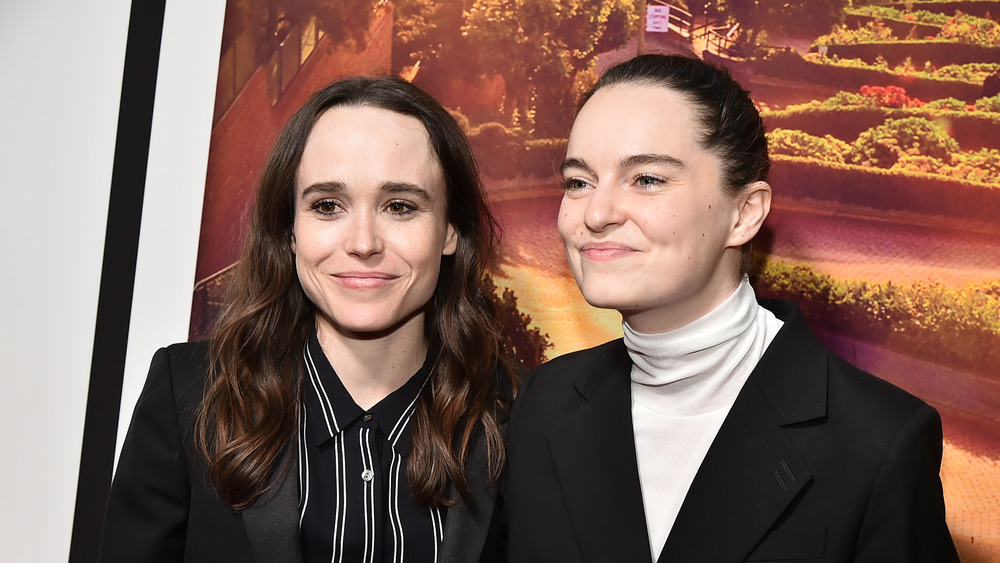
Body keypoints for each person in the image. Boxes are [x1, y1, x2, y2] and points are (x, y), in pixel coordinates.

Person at [502, 54, 959, 562]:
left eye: (647, 179)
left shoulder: (878, 441)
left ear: (744, 213)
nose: (596, 213)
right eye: (578, 182)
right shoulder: (544, 403)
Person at [99, 76, 517, 563]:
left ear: (450, 230)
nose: (363, 242)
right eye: (327, 206)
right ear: (291, 231)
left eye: (399, 207)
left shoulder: (517, 417)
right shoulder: (189, 396)